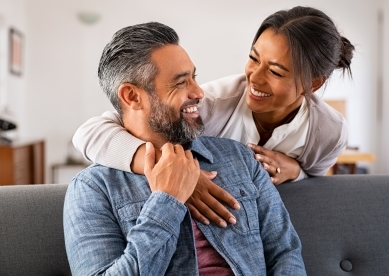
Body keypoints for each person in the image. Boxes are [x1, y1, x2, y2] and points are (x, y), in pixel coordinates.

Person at [72, 6, 354, 227]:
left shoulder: (329, 132)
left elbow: (316, 184)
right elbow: (89, 133)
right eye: (253, 58)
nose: (254, 78)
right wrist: (174, 171)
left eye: (276, 71)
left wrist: (296, 172)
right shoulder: (213, 103)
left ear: (313, 84)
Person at [63, 22, 306, 275]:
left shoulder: (241, 158)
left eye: (194, 77)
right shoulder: (93, 189)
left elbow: (285, 253)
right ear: (132, 97)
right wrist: (166, 201)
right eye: (180, 83)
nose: (199, 92)